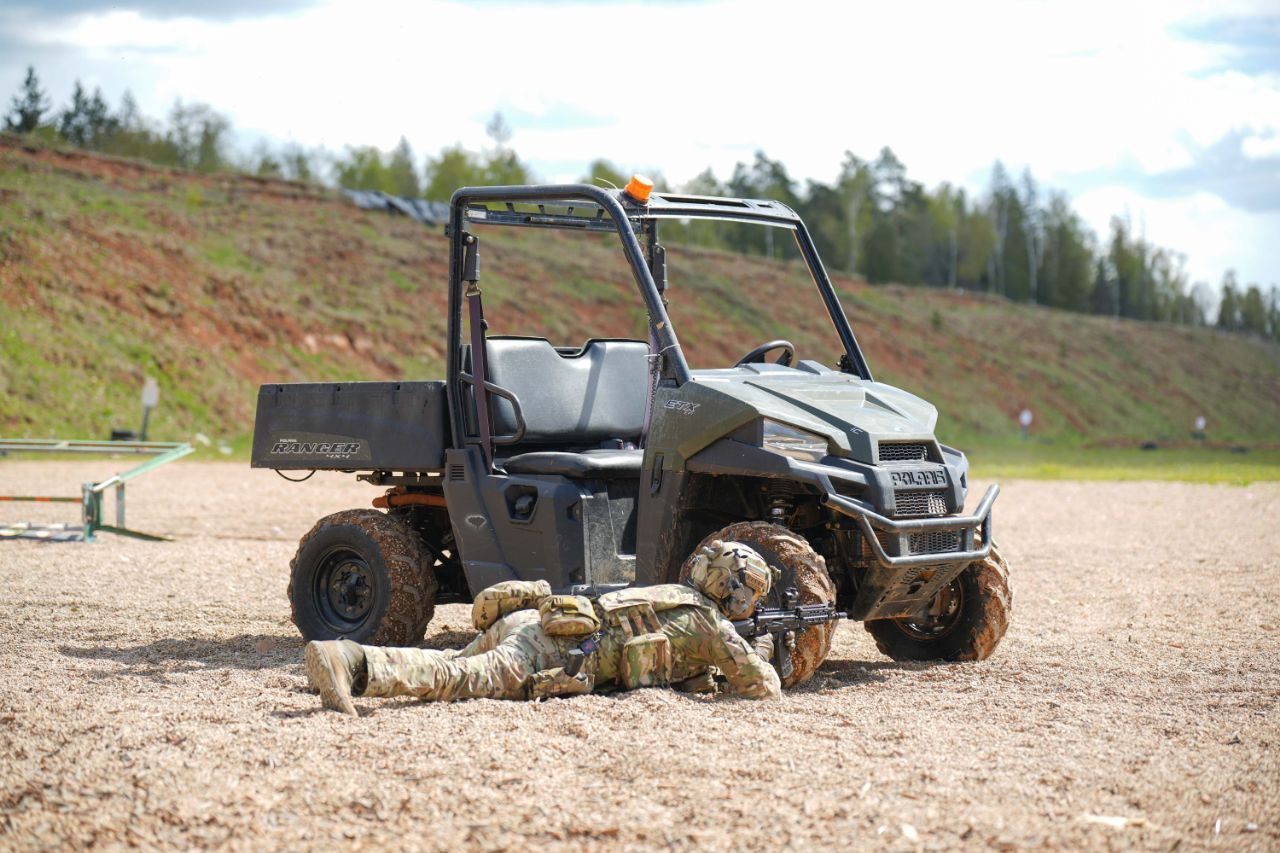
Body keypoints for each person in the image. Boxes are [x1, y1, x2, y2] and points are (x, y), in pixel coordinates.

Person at [304, 539, 782, 715]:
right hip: (550, 651)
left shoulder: (667, 595)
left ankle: (341, 657)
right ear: (738, 594)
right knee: (460, 680)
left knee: (454, 660)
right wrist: (756, 650)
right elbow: (763, 689)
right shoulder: (711, 625)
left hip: (533, 620)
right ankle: (351, 661)